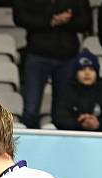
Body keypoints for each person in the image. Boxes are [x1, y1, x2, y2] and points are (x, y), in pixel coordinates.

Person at [14, 0, 92, 128]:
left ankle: (60, 147)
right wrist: (50, 21)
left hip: (67, 56)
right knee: (30, 111)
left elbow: (86, 21)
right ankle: (28, 146)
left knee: (63, 112)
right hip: (37, 53)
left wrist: (66, 20)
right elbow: (19, 16)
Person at [53, 49, 102, 132]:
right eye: (82, 69)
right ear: (75, 74)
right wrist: (80, 123)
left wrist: (98, 124)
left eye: (91, 69)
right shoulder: (67, 90)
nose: (87, 73)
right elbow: (59, 119)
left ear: (97, 73)